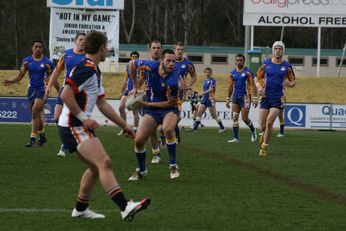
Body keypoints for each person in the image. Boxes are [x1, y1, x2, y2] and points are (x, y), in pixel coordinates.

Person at [58, 30, 150, 221]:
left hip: (74, 125)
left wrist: (124, 126)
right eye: (106, 46)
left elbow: (102, 103)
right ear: (101, 48)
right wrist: (84, 118)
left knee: (95, 168)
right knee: (104, 163)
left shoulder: (93, 68)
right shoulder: (87, 68)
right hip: (73, 125)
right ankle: (125, 206)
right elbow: (65, 94)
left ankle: (80, 208)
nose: (107, 49)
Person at [128, 49, 181, 180]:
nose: (171, 64)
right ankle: (142, 170)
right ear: (162, 61)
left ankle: (173, 166)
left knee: (167, 129)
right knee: (139, 140)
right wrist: (135, 86)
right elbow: (131, 64)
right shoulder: (151, 66)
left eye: (174, 61)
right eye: (168, 60)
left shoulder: (173, 80)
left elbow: (170, 103)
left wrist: (147, 105)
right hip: (151, 110)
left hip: (169, 108)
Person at [3, 40, 54, 147]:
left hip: (42, 89)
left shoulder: (47, 62)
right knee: (35, 114)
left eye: (40, 47)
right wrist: (10, 81)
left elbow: (53, 76)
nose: (38, 48)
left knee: (35, 110)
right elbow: (20, 75)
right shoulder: (27, 61)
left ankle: (32, 139)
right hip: (31, 89)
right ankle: (42, 135)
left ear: (42, 48)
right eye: (36, 46)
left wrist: (50, 86)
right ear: (32, 48)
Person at [46, 32, 86, 157]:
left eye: (85, 40)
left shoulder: (87, 56)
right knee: (57, 117)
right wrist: (49, 86)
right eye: (80, 39)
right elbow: (57, 71)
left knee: (70, 119)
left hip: (78, 92)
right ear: (75, 40)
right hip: (65, 89)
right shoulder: (66, 54)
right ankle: (70, 141)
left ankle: (64, 147)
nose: (83, 42)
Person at [254, 41, 296, 157]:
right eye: (276, 48)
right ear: (273, 50)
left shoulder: (287, 66)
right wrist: (258, 87)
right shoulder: (265, 64)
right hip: (265, 97)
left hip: (278, 98)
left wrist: (289, 84)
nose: (278, 50)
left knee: (269, 122)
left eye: (280, 49)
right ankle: (263, 133)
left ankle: (264, 148)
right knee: (262, 125)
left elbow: (293, 81)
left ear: (283, 51)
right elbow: (256, 78)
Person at [226, 54, 258, 143]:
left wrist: (255, 98)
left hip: (245, 98)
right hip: (235, 97)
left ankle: (253, 130)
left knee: (244, 118)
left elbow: (253, 84)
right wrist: (228, 99)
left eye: (241, 60)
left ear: (244, 61)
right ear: (235, 61)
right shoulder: (232, 73)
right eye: (238, 60)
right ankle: (236, 138)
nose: (239, 62)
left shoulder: (248, 72)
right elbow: (230, 87)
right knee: (235, 117)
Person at [192, 67, 226, 132]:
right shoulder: (205, 81)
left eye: (209, 72)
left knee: (214, 116)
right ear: (204, 73)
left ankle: (222, 128)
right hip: (204, 99)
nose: (207, 73)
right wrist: (201, 96)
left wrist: (202, 93)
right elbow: (205, 90)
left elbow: (211, 89)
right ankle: (195, 129)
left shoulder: (212, 80)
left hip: (210, 99)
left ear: (211, 73)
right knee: (199, 113)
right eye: (206, 72)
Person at [118, 51, 140, 135]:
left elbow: (142, 80)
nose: (134, 58)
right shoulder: (128, 66)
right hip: (128, 90)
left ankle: (135, 129)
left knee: (135, 111)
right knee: (120, 108)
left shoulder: (141, 66)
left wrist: (137, 89)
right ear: (130, 58)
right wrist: (121, 92)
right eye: (133, 56)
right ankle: (124, 128)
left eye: (136, 57)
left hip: (135, 91)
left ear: (138, 58)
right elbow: (125, 79)